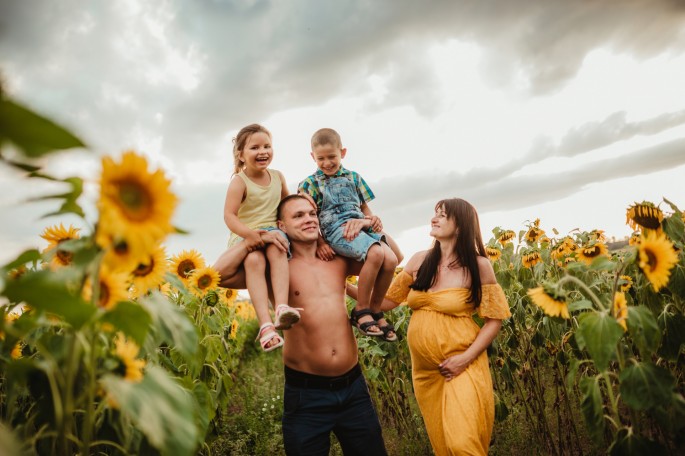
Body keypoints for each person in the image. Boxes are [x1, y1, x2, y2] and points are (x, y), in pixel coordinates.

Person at [214, 194, 389, 455]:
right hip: (306, 395)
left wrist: (369, 223)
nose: (308, 219)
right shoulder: (277, 269)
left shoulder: (338, 259)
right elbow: (218, 275)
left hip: (354, 388)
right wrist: (255, 238)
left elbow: (389, 257)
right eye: (298, 216)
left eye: (311, 214)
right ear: (281, 226)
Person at [348, 198, 511, 456]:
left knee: (463, 443)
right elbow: (387, 301)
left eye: (443, 215)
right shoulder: (419, 261)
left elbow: (495, 320)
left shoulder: (479, 266)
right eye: (435, 214)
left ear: (460, 226)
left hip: (462, 364)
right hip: (425, 371)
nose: (434, 219)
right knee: (444, 445)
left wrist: (465, 359)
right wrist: (343, 285)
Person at [298, 128, 398, 341]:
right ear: (312, 157)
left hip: (362, 227)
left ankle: (376, 309)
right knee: (377, 254)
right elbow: (309, 217)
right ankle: (361, 310)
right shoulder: (310, 184)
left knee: (390, 259)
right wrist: (320, 243)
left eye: (332, 157)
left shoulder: (354, 178)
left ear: (342, 153)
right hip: (337, 231)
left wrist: (371, 219)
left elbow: (364, 208)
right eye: (320, 158)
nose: (327, 163)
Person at [221, 123, 300, 352]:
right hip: (247, 235)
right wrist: (250, 235)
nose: (263, 151)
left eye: (267, 146)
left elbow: (287, 204)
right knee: (254, 261)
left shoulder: (277, 177)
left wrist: (301, 201)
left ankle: (282, 308)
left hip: (274, 234)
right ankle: (265, 325)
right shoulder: (239, 181)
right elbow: (229, 215)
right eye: (255, 147)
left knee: (277, 247)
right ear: (241, 155)